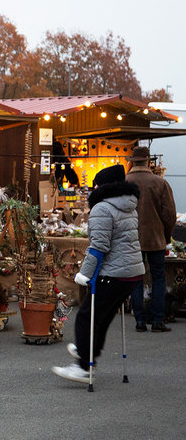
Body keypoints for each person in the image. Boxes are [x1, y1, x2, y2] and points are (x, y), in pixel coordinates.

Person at [52, 164, 145, 383]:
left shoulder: (103, 208)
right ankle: (87, 351)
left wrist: (83, 274)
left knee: (86, 316)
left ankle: (83, 366)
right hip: (132, 272)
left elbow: (98, 247)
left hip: (115, 273)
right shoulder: (128, 204)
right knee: (100, 317)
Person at [125, 146, 176, 333]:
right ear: (148, 161)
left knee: (136, 279)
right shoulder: (159, 183)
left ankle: (139, 320)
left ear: (132, 161)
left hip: (131, 239)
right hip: (155, 239)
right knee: (158, 278)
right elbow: (169, 214)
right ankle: (157, 320)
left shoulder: (124, 182)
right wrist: (166, 235)